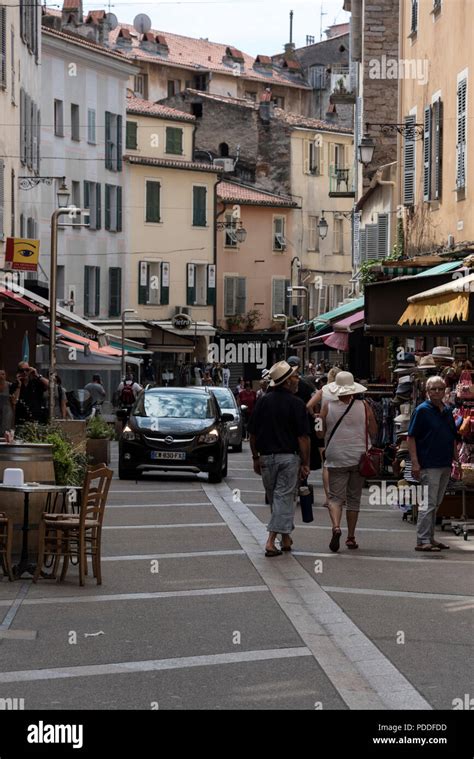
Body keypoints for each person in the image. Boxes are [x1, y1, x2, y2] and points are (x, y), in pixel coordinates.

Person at [249, 361, 310, 557]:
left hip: (266, 459)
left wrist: (255, 457)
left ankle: (285, 539)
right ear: (286, 382)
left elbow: (253, 435)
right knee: (283, 498)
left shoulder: (263, 401)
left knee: (277, 500)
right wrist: (306, 462)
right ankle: (270, 541)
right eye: (293, 377)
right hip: (288, 458)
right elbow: (303, 437)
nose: (297, 379)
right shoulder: (297, 404)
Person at [316, 371, 377, 552]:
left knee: (335, 498)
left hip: (336, 457)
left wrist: (318, 421)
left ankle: (336, 527)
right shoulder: (364, 405)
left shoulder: (327, 406)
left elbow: (319, 433)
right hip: (359, 457)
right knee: (353, 498)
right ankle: (351, 537)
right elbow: (373, 431)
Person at [407, 375, 458, 552]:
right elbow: (411, 437)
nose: (437, 392)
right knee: (428, 503)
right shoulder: (422, 410)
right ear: (427, 392)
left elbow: (452, 436)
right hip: (429, 463)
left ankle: (430, 537)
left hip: (444, 463)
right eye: (433, 389)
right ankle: (422, 540)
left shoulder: (447, 410)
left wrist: (456, 458)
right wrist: (415, 463)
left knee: (436, 502)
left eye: (440, 388)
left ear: (445, 391)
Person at [307, 366, 342, 504]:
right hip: (340, 428)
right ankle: (340, 497)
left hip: (323, 427)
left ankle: (329, 498)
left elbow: (309, 405)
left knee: (326, 465)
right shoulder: (344, 391)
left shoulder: (324, 390)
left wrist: (315, 415)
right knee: (340, 466)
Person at [9, 362, 49, 426]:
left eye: (27, 370)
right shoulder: (15, 385)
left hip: (36, 418)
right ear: (18, 372)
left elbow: (51, 386)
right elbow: (14, 402)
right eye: (22, 370)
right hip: (21, 419)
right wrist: (19, 385)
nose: (24, 372)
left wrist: (37, 375)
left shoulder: (35, 382)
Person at [0, 370, 13, 436]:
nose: (1, 376)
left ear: (5, 376)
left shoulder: (9, 385)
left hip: (6, 409)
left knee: (5, 429)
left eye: (3, 374)